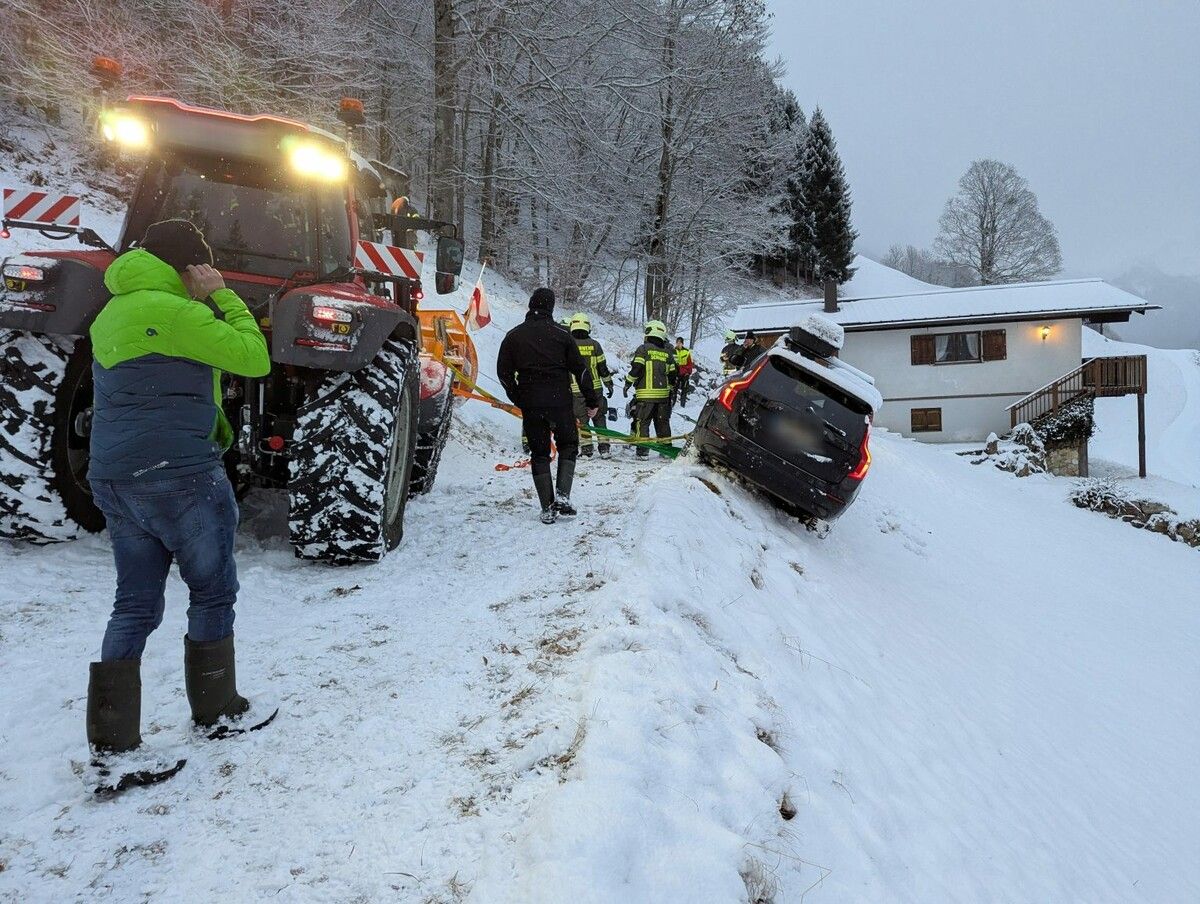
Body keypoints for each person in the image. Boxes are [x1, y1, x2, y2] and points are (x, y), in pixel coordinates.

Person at [85, 219, 270, 757]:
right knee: (211, 591)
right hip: (181, 476)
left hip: (116, 481)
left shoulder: (110, 312)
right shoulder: (180, 312)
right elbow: (253, 357)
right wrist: (226, 296)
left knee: (134, 606)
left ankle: (112, 744)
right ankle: (217, 709)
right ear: (189, 267)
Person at [497, 288, 600, 523]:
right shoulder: (562, 336)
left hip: (532, 404)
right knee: (568, 445)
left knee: (539, 453)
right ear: (551, 308)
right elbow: (581, 371)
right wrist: (592, 401)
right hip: (560, 402)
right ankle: (563, 497)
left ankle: (546, 508)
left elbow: (503, 372)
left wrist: (517, 397)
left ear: (530, 305)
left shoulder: (514, 336)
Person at [625, 320, 677, 458]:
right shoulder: (668, 353)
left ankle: (643, 452)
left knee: (642, 423)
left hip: (645, 397)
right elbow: (673, 375)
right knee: (662, 423)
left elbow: (637, 368)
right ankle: (666, 451)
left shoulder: (643, 349)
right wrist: (669, 390)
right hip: (663, 397)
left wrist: (627, 383)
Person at [568, 312, 615, 458]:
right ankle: (604, 448)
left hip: (577, 391)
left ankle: (587, 449)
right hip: (596, 389)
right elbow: (603, 368)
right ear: (588, 327)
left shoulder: (568, 344)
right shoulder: (595, 345)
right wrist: (609, 384)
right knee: (599, 418)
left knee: (582, 420)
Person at [671, 337, 694, 409]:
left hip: (684, 374)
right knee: (674, 390)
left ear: (682, 343)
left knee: (684, 390)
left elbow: (690, 364)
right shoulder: (673, 351)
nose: (678, 344)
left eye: (680, 343)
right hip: (675, 373)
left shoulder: (686, 352)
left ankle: (682, 405)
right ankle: (672, 405)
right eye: (677, 342)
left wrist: (688, 373)